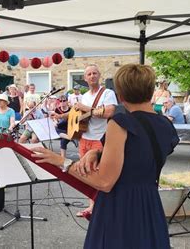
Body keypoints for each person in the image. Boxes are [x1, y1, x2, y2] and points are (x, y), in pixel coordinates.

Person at [31, 64, 179, 248]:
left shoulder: (121, 123)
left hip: (120, 206)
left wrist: (62, 161)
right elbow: (141, 150)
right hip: (150, 204)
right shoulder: (165, 125)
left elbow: (105, 182)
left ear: (121, 96)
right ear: (150, 91)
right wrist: (99, 152)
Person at [73, 64, 117, 218]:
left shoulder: (107, 93)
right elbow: (80, 116)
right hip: (85, 138)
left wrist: (86, 108)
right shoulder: (84, 96)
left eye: (94, 73)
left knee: (99, 173)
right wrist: (63, 116)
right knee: (86, 173)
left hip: (100, 139)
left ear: (99, 76)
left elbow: (110, 111)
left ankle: (98, 207)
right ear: (85, 78)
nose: (92, 76)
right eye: (89, 74)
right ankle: (92, 205)